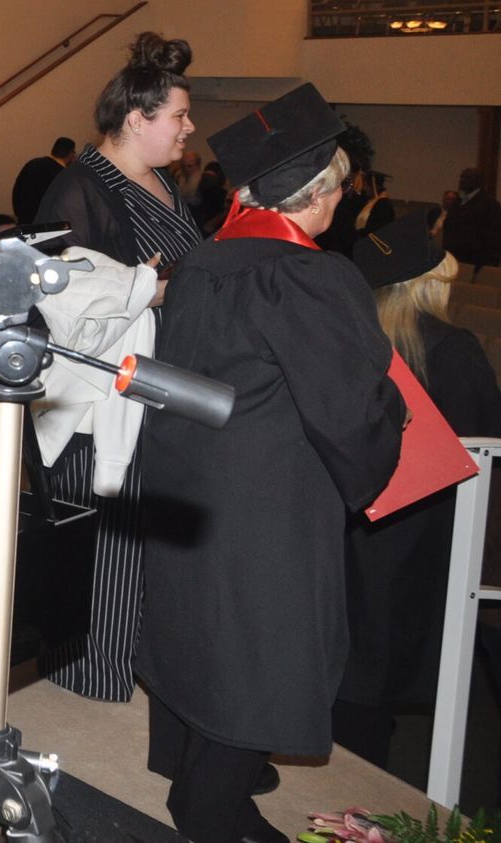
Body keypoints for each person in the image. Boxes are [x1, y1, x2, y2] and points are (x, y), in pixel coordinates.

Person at [139, 83, 404, 843]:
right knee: (261, 666)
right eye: (342, 189)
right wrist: (396, 418)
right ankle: (208, 811)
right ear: (318, 197)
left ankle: (206, 790)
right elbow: (352, 413)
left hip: (189, 493)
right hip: (265, 513)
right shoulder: (310, 278)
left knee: (202, 650)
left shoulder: (200, 264)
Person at [33, 32, 205, 705]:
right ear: (137, 119)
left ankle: (124, 658)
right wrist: (150, 290)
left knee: (135, 540)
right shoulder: (80, 185)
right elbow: (58, 299)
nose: (190, 128)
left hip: (151, 385)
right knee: (100, 538)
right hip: (96, 396)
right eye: (180, 116)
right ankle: (85, 670)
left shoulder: (162, 180)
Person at [334, 214, 501, 767]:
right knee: (384, 664)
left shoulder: (343, 340)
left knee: (348, 662)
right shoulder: (452, 348)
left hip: (348, 522)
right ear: (428, 282)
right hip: (421, 532)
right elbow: (495, 445)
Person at [446, 166, 501, 270]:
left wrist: (487, 264)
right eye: (461, 177)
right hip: (454, 257)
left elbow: (494, 238)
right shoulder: (457, 203)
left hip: (475, 260)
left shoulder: (490, 205)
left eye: (466, 178)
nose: (461, 181)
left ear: (477, 181)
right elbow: (449, 228)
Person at [12, 137, 75, 226]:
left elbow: (17, 191)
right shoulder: (63, 175)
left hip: (24, 222)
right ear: (71, 154)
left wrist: (19, 214)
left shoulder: (32, 164)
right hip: (46, 227)